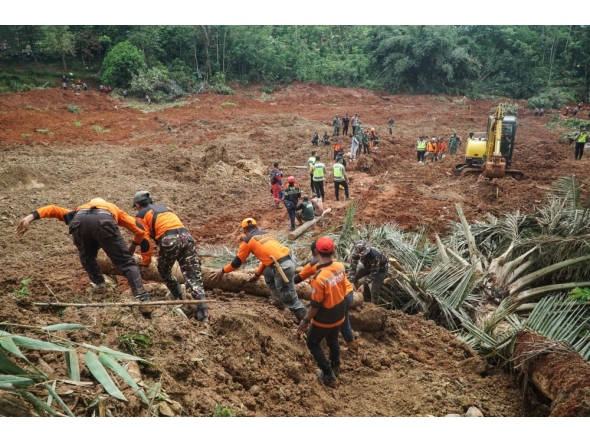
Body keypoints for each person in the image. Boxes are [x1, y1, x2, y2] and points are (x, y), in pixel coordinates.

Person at [15, 198, 150, 301]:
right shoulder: (115, 210)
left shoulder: (78, 210)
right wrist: (134, 247)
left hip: (79, 221)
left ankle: (100, 286)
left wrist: (29, 218)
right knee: (126, 262)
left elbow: (52, 209)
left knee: (87, 256)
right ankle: (141, 296)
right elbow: (140, 230)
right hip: (104, 220)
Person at [131, 191, 208, 321]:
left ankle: (179, 300)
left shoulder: (140, 215)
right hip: (187, 238)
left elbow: (145, 241)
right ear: (152, 202)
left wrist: (145, 263)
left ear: (137, 205)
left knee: (164, 271)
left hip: (169, 240)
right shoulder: (167, 208)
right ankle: (203, 312)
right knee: (193, 277)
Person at [211, 218, 307, 322]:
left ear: (244, 231)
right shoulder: (266, 234)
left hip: (283, 267)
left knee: (290, 299)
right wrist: (257, 275)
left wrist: (222, 271)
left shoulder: (248, 241)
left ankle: (306, 322)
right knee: (268, 273)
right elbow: (268, 261)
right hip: (291, 259)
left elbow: (236, 263)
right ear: (257, 227)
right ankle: (278, 301)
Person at [296, 237, 347, 387]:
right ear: (334, 251)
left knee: (312, 343)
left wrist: (305, 321)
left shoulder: (318, 278)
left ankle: (328, 376)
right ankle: (335, 367)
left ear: (316, 252)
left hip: (325, 317)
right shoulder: (340, 266)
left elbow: (315, 305)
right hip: (340, 312)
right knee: (333, 340)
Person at [294, 240, 358, 354]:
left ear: (314, 252)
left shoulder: (313, 265)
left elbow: (298, 279)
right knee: (343, 322)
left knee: (339, 322)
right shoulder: (334, 262)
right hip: (347, 293)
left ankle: (350, 348)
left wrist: (286, 279)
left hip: (339, 296)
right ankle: (350, 346)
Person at [348, 240, 389, 304]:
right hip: (367, 266)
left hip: (380, 269)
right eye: (359, 255)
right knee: (354, 278)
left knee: (374, 290)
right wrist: (351, 282)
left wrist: (364, 284)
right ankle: (359, 296)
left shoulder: (375, 256)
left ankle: (373, 306)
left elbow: (373, 273)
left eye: (362, 255)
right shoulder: (355, 252)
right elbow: (352, 268)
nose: (360, 257)